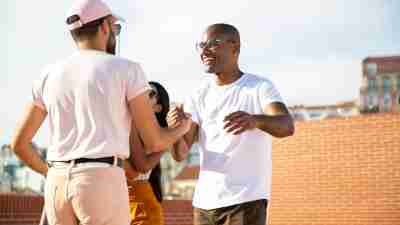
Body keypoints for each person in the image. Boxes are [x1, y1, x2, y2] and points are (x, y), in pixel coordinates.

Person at [10, 0, 191, 224]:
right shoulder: (126, 69)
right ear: (105, 26)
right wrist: (181, 128)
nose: (115, 34)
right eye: (115, 28)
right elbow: (154, 142)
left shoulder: (48, 74)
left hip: (56, 182)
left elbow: (19, 144)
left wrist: (50, 173)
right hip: (100, 180)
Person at [167, 23, 295, 225]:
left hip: (245, 201)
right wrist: (174, 130)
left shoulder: (258, 87)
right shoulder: (198, 95)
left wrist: (255, 120)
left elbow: (287, 125)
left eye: (213, 44)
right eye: (201, 45)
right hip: (204, 204)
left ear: (235, 47)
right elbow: (180, 154)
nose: (205, 50)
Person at [124, 81, 169, 225]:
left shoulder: (154, 136)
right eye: (141, 90)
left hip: (139, 204)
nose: (142, 94)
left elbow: (138, 168)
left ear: (157, 108)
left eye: (150, 93)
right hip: (117, 199)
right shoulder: (123, 122)